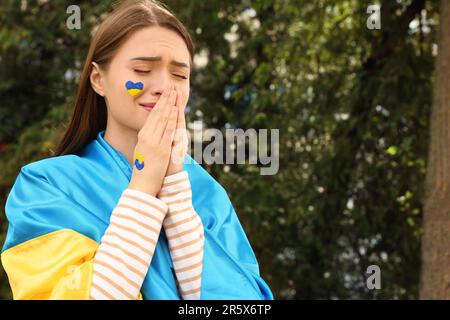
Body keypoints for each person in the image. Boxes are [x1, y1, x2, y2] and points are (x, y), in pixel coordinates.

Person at [0, 0, 273, 300]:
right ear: (98, 79)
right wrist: (144, 184)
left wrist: (175, 190)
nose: (163, 87)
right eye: (142, 69)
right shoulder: (45, 187)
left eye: (180, 76)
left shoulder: (208, 194)